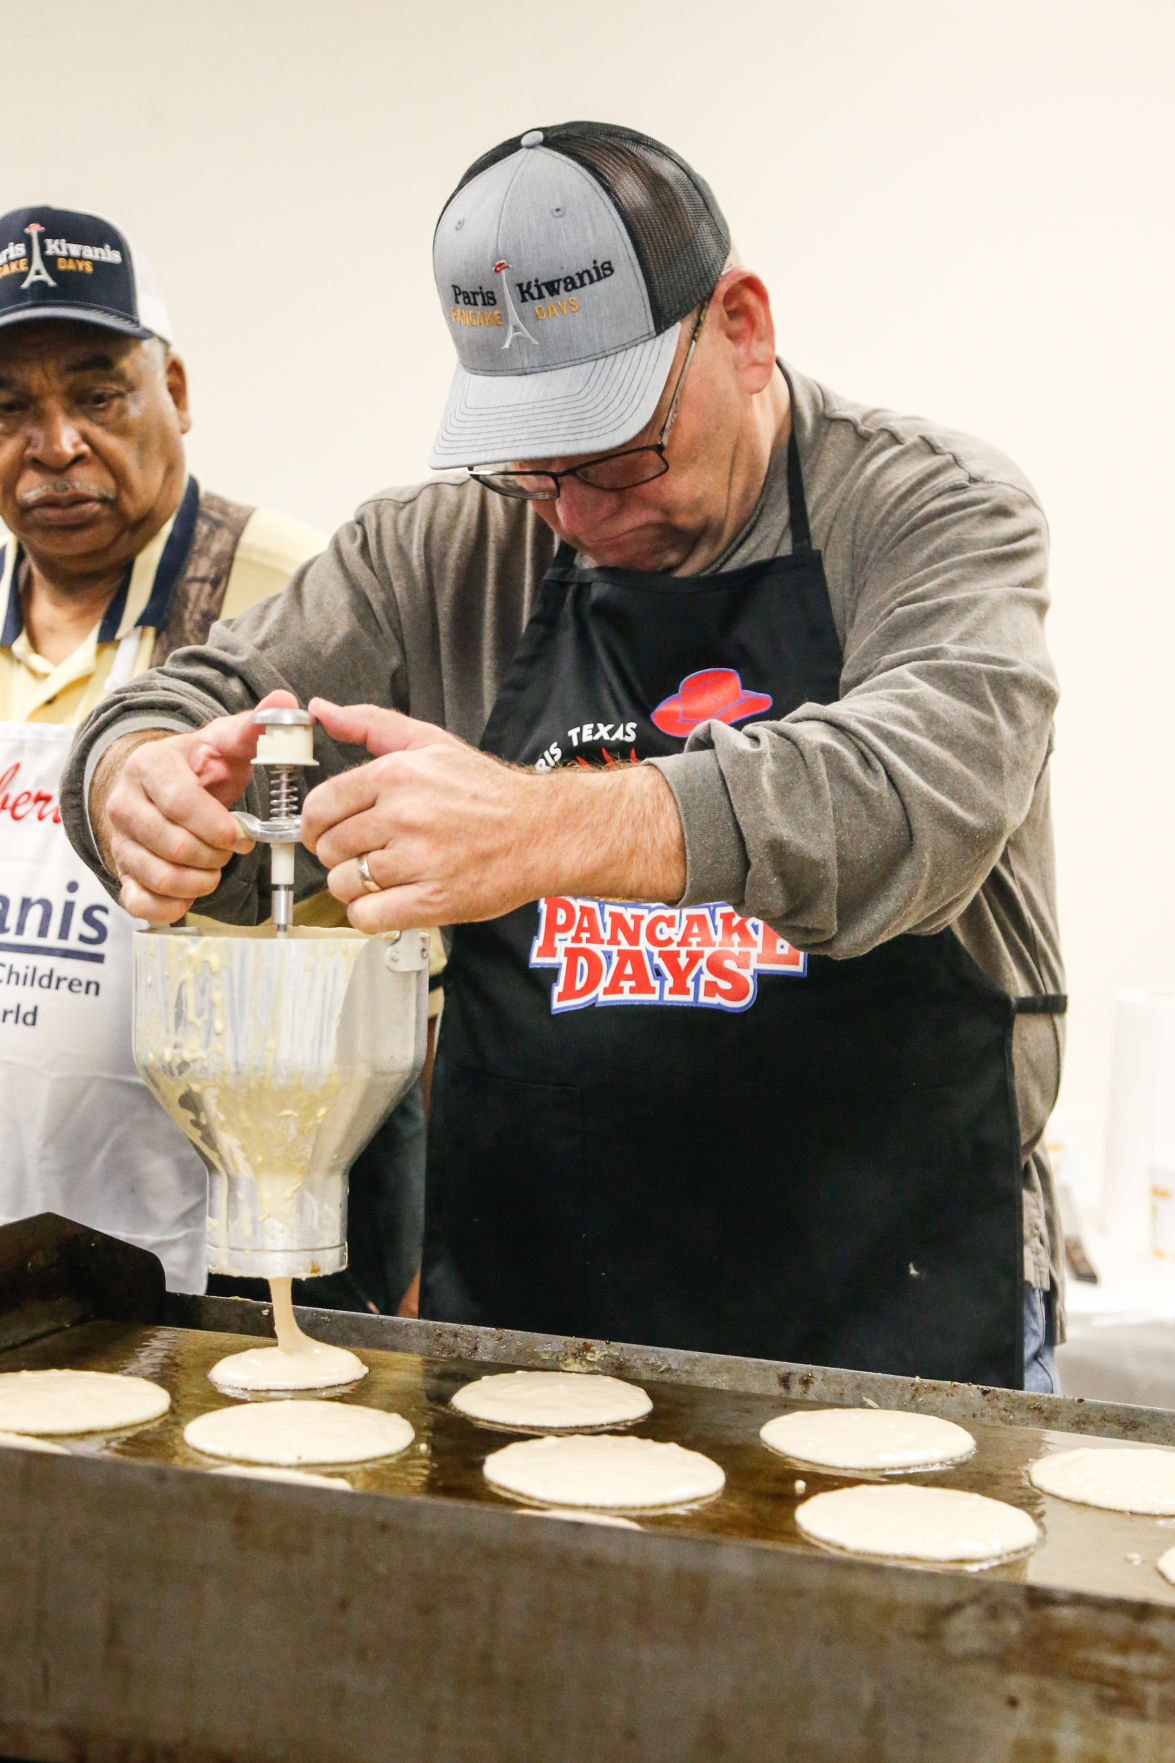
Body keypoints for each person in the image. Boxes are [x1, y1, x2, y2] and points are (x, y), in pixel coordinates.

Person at [61, 124, 1065, 1389]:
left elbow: (915, 794)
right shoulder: (442, 549)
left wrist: (544, 826)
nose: (578, 514)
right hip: (537, 1314)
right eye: (535, 465)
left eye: (616, 452)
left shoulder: (929, 509)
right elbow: (182, 698)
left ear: (742, 328)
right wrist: (131, 778)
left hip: (888, 1293)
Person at [0, 203, 325, 1290]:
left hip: (230, 1248)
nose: (55, 446)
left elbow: (420, 967)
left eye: (97, 396)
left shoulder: (289, 592)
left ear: (173, 391)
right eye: (7, 407)